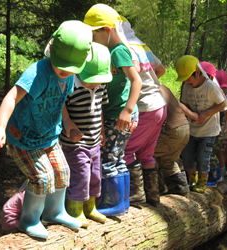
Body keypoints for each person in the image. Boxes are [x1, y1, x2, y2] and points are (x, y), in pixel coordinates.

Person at [0, 20, 93, 239]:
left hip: (49, 137)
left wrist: (69, 123)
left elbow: (61, 100)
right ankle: (29, 220)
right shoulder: (37, 73)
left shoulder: (69, 74)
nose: (65, 71)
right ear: (51, 49)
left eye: (71, 68)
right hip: (24, 138)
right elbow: (12, 96)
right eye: (61, 65)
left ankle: (55, 212)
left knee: (63, 172)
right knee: (42, 177)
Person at [84, 4, 142, 215]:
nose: (91, 38)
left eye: (93, 33)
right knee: (117, 158)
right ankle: (122, 203)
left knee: (108, 159)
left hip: (118, 114)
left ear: (107, 30)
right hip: (112, 114)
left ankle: (112, 204)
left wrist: (127, 110)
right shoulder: (106, 50)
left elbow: (137, 81)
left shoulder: (118, 51)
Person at [59, 42, 111, 227]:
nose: (96, 83)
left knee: (96, 176)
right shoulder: (70, 85)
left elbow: (100, 110)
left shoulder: (101, 85)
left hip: (95, 141)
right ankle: (75, 210)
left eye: (100, 79)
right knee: (80, 176)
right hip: (75, 143)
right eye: (93, 79)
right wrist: (68, 127)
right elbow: (61, 107)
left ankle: (90, 208)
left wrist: (103, 131)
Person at [119, 17, 167, 206]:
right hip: (159, 104)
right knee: (147, 153)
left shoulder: (125, 48)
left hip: (145, 106)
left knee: (126, 150)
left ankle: (136, 195)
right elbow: (161, 69)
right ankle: (153, 196)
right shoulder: (143, 47)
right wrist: (152, 84)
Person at [176, 55, 225, 193]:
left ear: (197, 72)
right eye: (184, 79)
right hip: (192, 130)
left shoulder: (210, 86)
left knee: (204, 157)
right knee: (187, 155)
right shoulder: (186, 87)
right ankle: (192, 181)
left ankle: (202, 182)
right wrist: (190, 114)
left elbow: (222, 103)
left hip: (208, 131)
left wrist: (205, 114)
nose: (186, 81)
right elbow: (185, 104)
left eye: (188, 78)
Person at [199, 62, 227, 187]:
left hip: (217, 129)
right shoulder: (197, 89)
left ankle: (214, 177)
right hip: (202, 128)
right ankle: (216, 174)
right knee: (204, 153)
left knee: (212, 152)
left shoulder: (216, 90)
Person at [153, 84, 191, 196]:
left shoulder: (147, 87)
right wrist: (193, 115)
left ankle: (157, 187)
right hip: (184, 128)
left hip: (171, 130)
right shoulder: (162, 86)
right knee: (168, 160)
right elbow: (179, 105)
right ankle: (181, 188)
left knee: (146, 154)